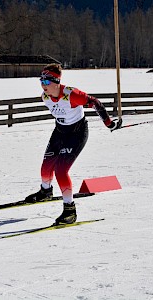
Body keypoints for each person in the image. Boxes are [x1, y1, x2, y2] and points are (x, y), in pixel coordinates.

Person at [25, 63, 122, 225]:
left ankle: (70, 210)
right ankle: (45, 191)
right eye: (41, 82)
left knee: (61, 171)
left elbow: (95, 102)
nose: (43, 86)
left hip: (77, 133)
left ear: (57, 82)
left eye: (47, 82)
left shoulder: (71, 94)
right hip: (60, 132)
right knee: (46, 166)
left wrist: (109, 124)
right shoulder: (45, 96)